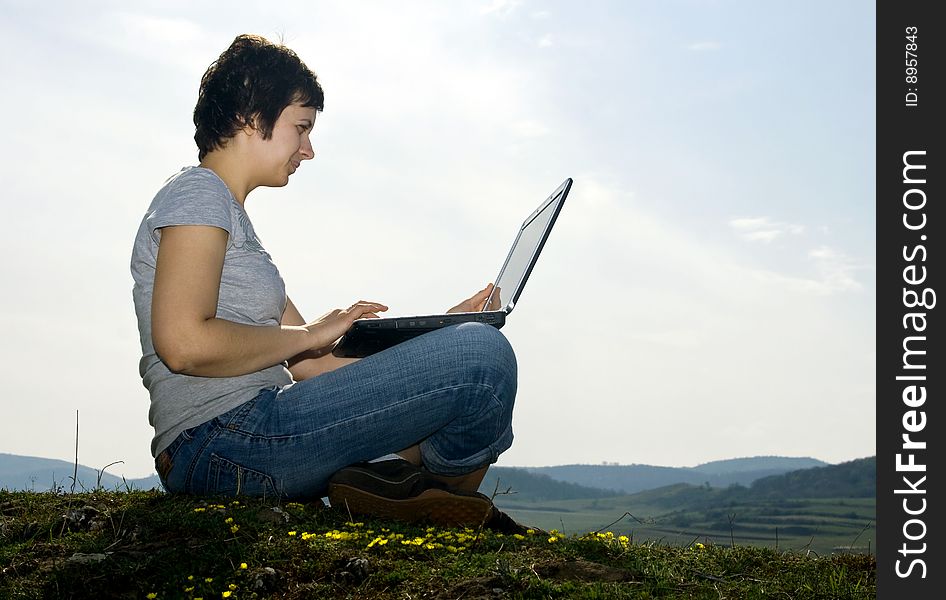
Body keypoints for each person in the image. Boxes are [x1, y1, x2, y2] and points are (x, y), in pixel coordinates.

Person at [131, 34, 526, 532]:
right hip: (221, 440)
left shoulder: (233, 224)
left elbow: (315, 365)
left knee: (472, 360)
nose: (308, 150)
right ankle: (424, 489)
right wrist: (310, 333)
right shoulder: (197, 194)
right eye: (300, 128)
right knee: (483, 358)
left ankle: (410, 492)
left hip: (247, 432)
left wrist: (441, 335)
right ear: (251, 116)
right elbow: (183, 344)